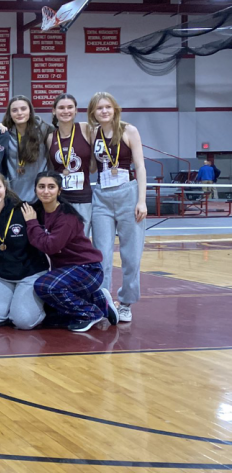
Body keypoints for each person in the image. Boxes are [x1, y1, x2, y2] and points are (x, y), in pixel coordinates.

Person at [22, 171, 118, 332]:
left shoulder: (66, 217)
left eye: (51, 187)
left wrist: (31, 223)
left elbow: (50, 246)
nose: (46, 191)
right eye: (41, 187)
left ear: (59, 191)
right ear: (35, 189)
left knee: (45, 286)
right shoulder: (38, 210)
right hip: (67, 271)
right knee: (52, 317)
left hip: (87, 269)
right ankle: (99, 299)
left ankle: (91, 313)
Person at [89, 92, 146, 323]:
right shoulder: (91, 132)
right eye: (99, 108)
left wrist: (141, 200)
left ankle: (126, 302)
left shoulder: (129, 130)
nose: (104, 111)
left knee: (131, 255)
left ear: (115, 109)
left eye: (107, 107)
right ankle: (103, 300)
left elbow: (140, 167)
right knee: (101, 254)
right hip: (101, 195)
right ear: (93, 112)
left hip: (127, 194)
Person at [0, 172, 48, 330]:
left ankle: (42, 307)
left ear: (5, 188)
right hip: (0, 275)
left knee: (23, 322)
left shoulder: (24, 209)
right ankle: (14, 304)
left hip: (29, 273)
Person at [46, 93, 94, 235]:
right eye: (61, 108)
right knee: (59, 241)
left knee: (80, 240)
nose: (65, 111)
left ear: (76, 110)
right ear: (54, 111)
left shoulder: (86, 129)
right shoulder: (50, 137)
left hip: (83, 198)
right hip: (59, 200)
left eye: (69, 107)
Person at [4, 95, 52, 202]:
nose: (19, 113)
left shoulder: (45, 130)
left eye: (23, 109)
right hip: (13, 195)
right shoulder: (3, 133)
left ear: (30, 111)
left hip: (40, 195)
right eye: (14, 110)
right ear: (10, 114)